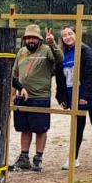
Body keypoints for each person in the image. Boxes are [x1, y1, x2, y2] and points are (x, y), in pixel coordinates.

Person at [54, 26, 92, 169]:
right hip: (74, 96)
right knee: (77, 128)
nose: (68, 37)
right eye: (64, 35)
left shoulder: (85, 51)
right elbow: (60, 78)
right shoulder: (61, 54)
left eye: (70, 34)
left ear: (76, 35)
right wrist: (61, 98)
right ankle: (74, 158)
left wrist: (87, 95)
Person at [11, 24, 62, 171]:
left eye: (34, 38)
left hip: (41, 96)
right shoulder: (21, 52)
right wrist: (13, 95)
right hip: (22, 97)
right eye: (28, 38)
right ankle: (24, 157)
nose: (31, 40)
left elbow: (59, 58)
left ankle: (38, 157)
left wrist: (52, 43)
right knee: (24, 128)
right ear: (24, 39)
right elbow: (15, 74)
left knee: (40, 129)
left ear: (39, 39)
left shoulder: (46, 50)